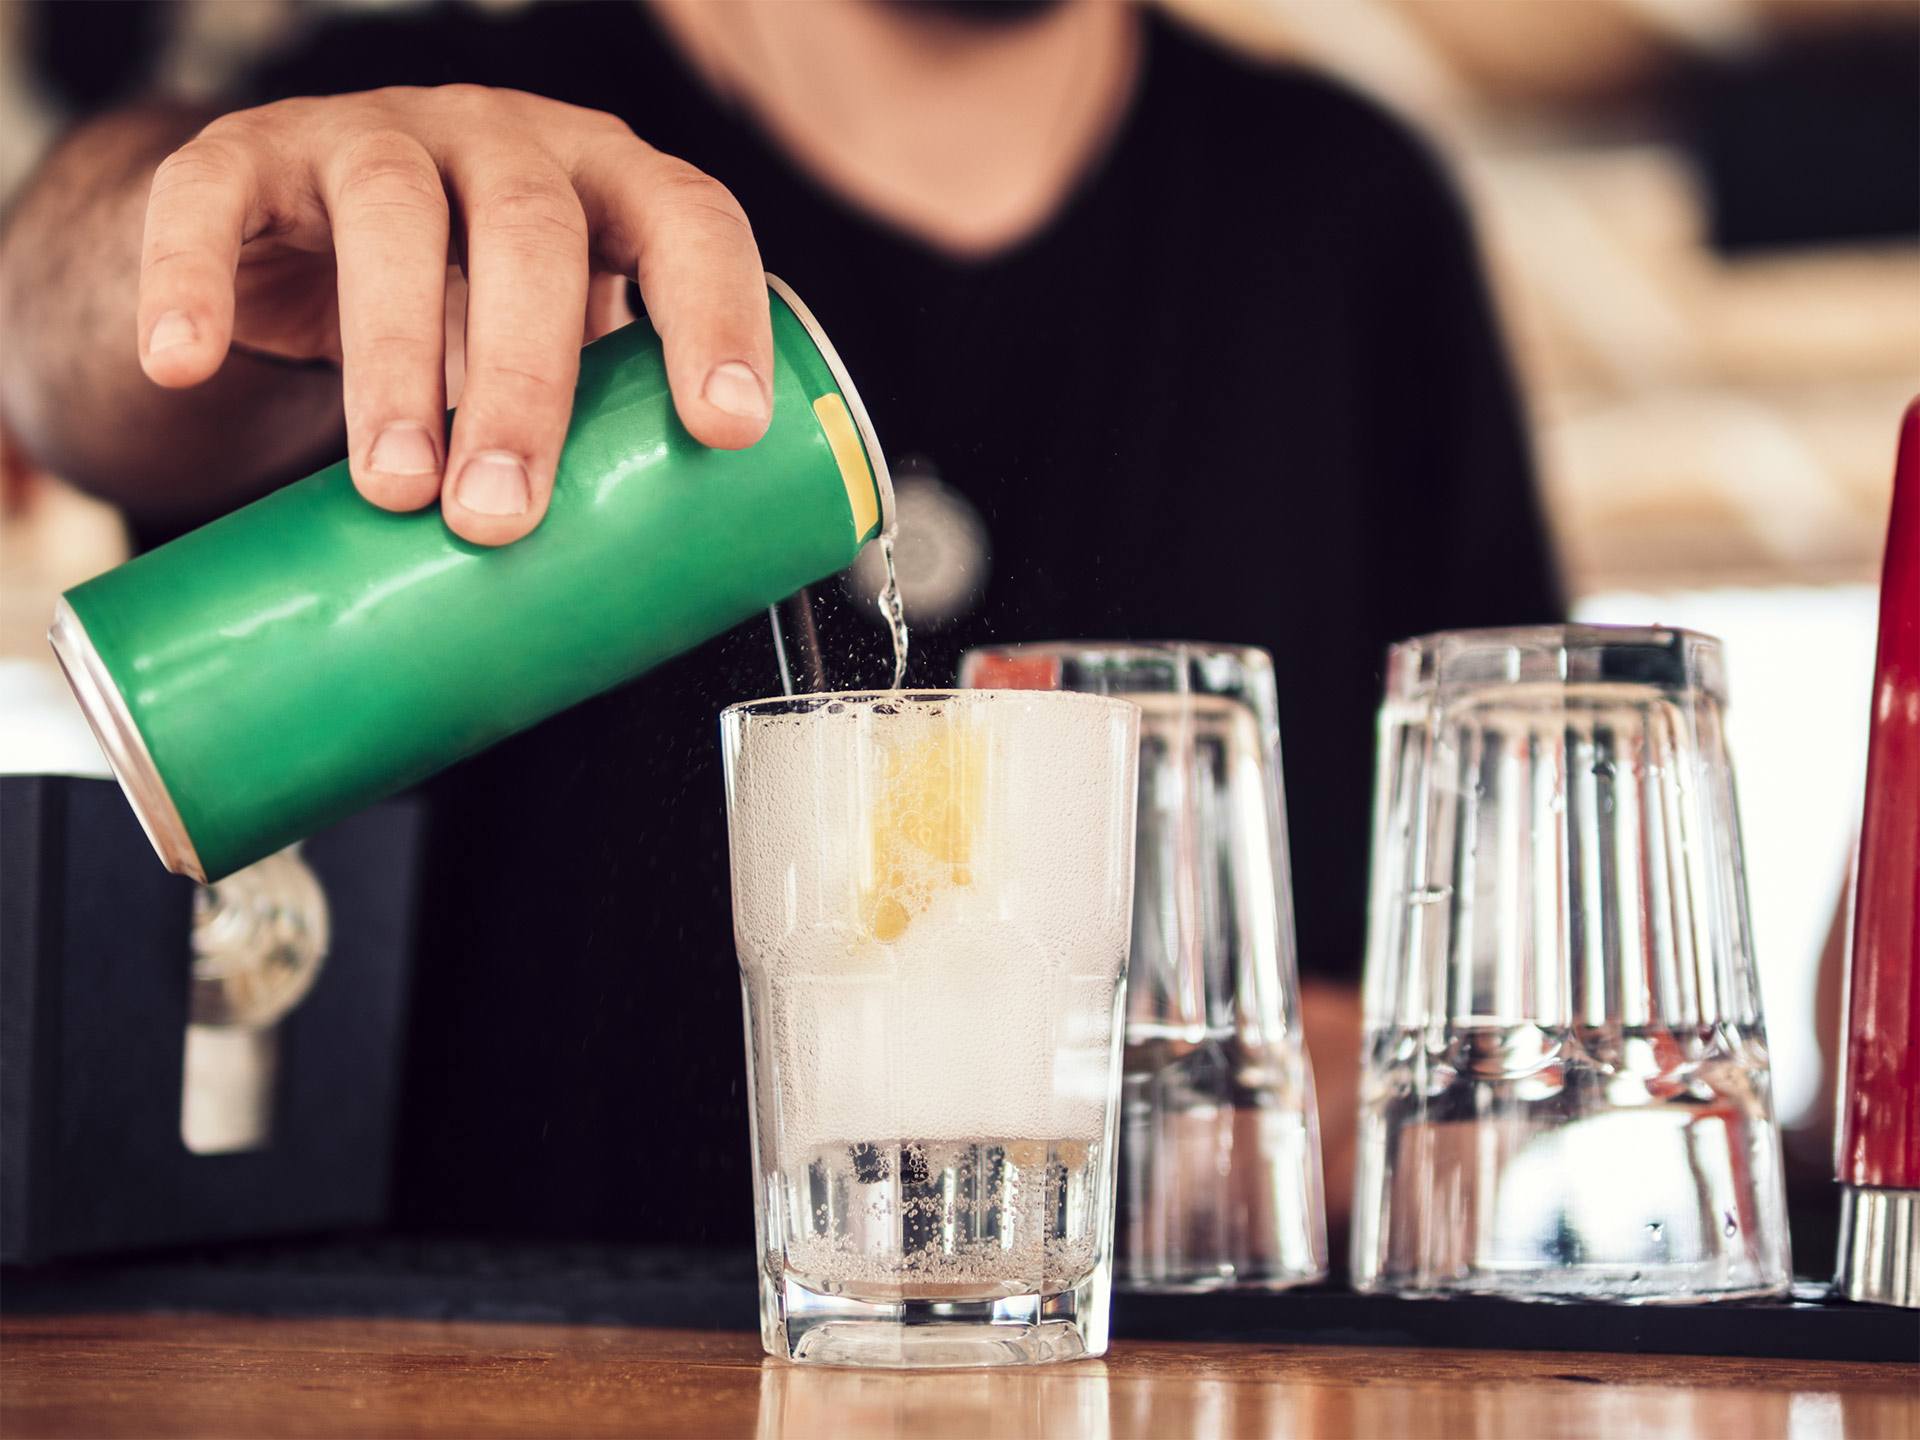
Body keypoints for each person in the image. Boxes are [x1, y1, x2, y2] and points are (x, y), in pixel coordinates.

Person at [0, 0, 1560, 1247]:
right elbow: (65, 345)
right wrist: (180, 250)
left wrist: (1390, 1098)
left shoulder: (1351, 213)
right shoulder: (453, 112)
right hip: (486, 1377)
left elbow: (1489, 944)